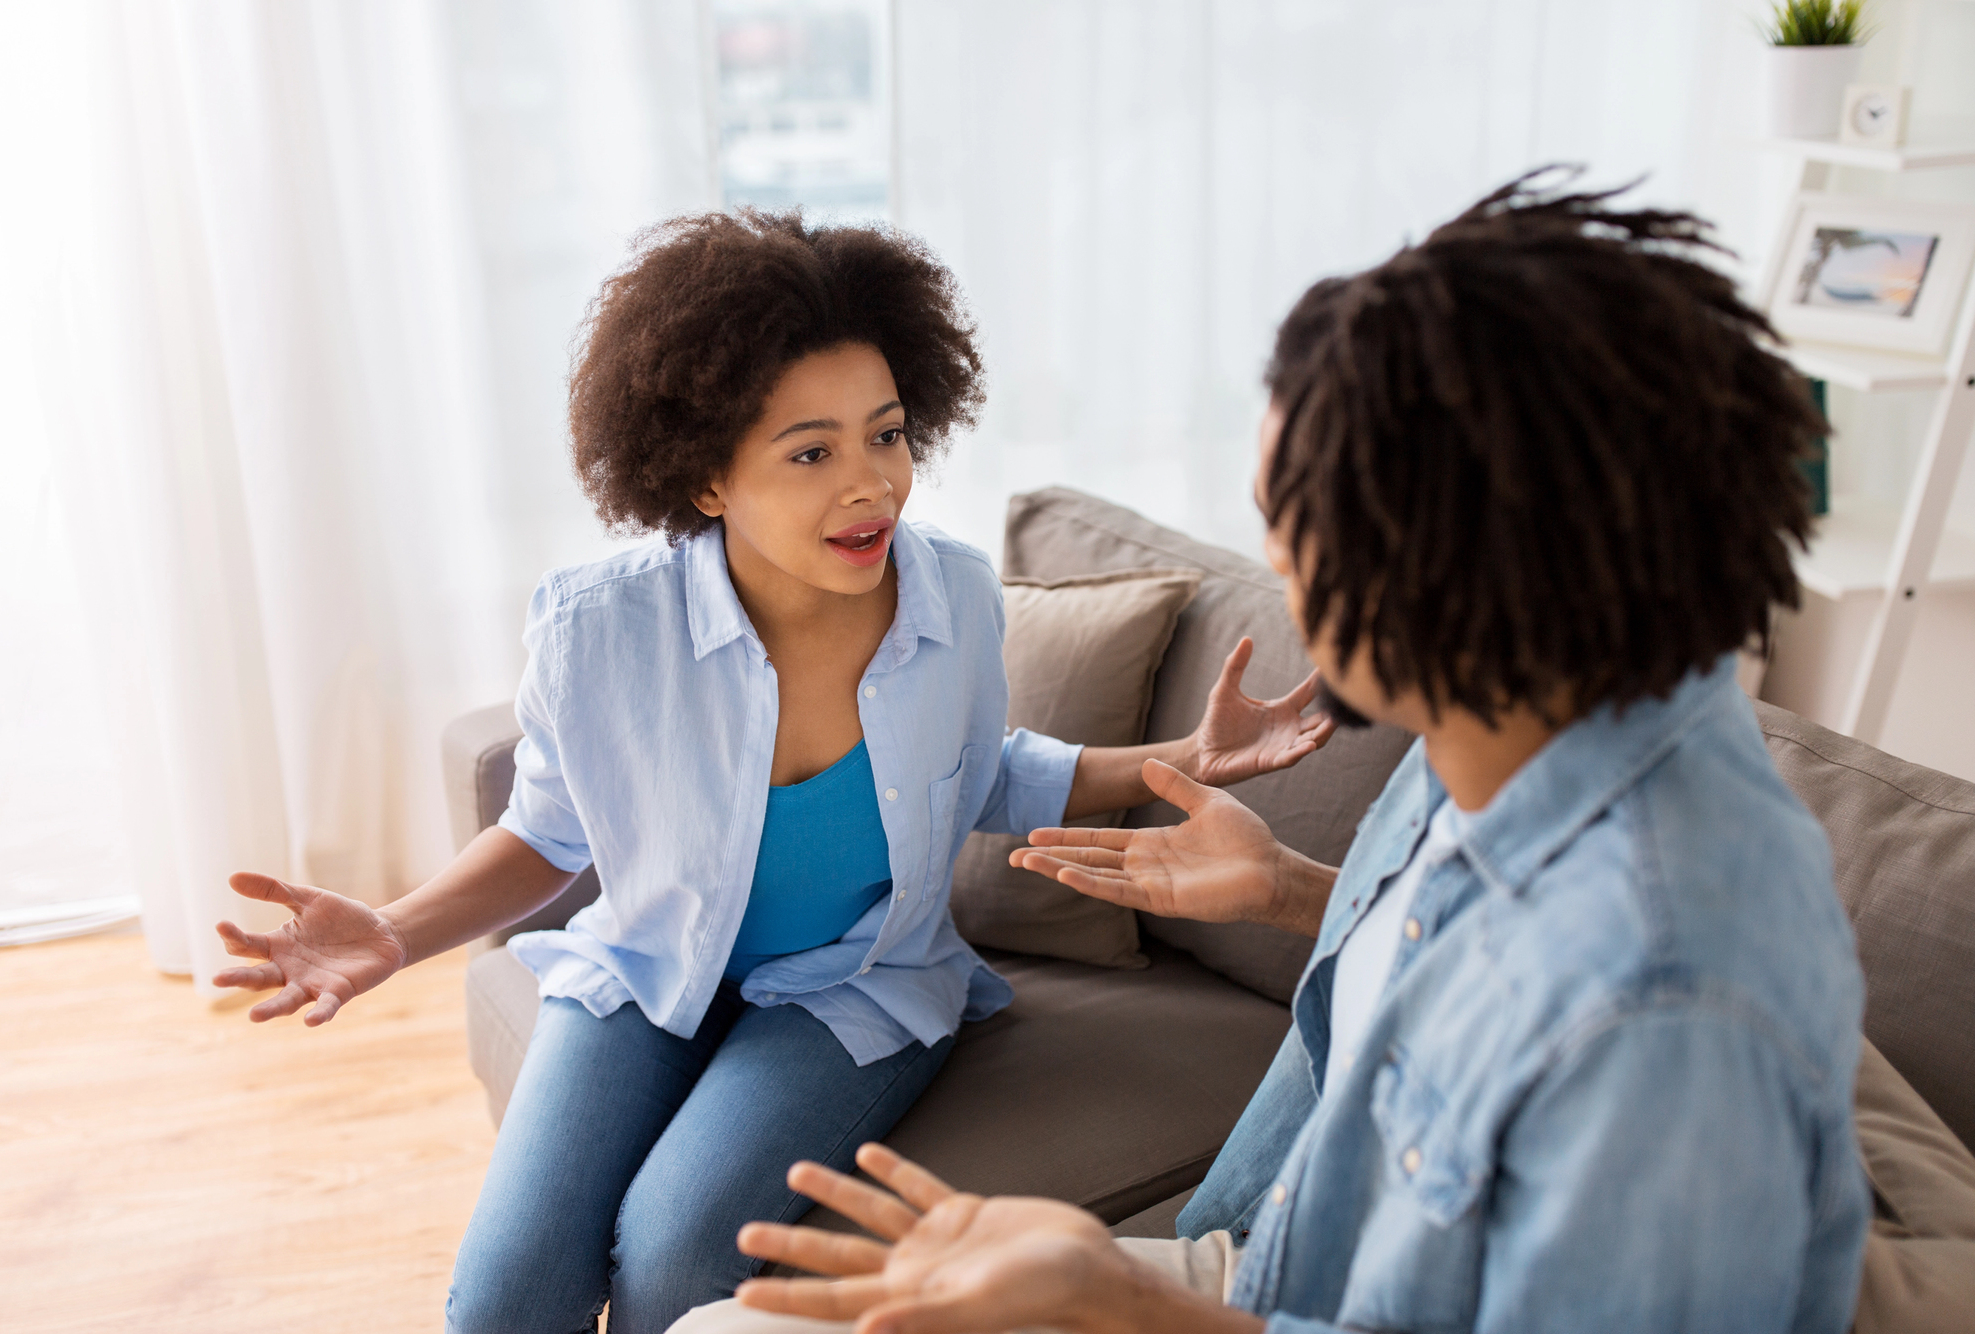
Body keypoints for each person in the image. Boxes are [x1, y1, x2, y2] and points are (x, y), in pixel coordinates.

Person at [676, 173, 1871, 1333]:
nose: (1277, 568)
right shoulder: (1540, 699)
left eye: (1297, 523)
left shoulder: (1664, 1018)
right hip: (1268, 1269)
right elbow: (1480, 955)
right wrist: (1291, 889)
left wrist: (1116, 1301)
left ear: (1468, 570)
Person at [210, 211, 1333, 1334]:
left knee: (675, 1253)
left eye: (885, 435)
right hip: (646, 968)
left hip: (858, 988)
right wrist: (398, 930)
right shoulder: (600, 632)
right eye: (810, 452)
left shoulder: (953, 597)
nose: (870, 485)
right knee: (508, 1291)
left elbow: (975, 774)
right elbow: (554, 833)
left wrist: (1182, 759)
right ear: (703, 479)